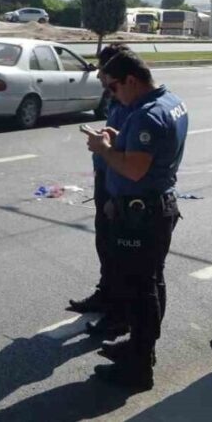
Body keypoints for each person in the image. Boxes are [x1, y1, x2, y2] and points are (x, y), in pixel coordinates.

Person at [84, 48, 188, 390]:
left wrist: (103, 149)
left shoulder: (146, 115)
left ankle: (139, 365)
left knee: (139, 289)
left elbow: (134, 168)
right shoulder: (169, 100)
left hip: (142, 212)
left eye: (113, 88)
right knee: (150, 282)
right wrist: (117, 143)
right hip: (153, 205)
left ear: (132, 80)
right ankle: (141, 350)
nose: (112, 96)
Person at [69, 44, 130, 339]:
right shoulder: (117, 98)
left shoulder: (131, 100)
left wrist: (114, 193)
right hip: (106, 175)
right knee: (105, 243)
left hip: (118, 182)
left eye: (104, 71)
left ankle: (120, 312)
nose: (100, 77)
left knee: (118, 249)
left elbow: (129, 153)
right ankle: (105, 294)